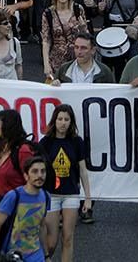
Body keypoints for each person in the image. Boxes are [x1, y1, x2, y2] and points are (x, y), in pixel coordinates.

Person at [35, 104, 93, 256]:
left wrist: (88, 198)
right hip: (51, 195)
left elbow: (83, 170)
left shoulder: (77, 142)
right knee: (51, 242)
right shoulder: (45, 142)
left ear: (71, 122)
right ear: (54, 121)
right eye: (60, 119)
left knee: (68, 238)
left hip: (71, 195)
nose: (63, 123)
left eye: (66, 119)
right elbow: (37, 170)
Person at [0, 156, 51, 262]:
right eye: (35, 172)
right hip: (12, 256)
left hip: (36, 255)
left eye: (43, 171)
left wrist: (46, 255)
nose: (40, 175)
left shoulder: (46, 197)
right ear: (26, 176)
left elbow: (41, 226)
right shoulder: (13, 196)